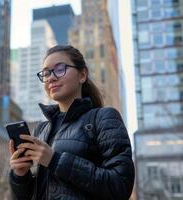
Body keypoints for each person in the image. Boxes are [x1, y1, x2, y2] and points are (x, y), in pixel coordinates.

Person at [8, 45, 135, 200]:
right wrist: (19, 176)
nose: (51, 78)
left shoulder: (104, 118)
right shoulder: (41, 130)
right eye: (46, 73)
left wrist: (54, 160)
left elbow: (120, 186)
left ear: (82, 75)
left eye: (60, 69)